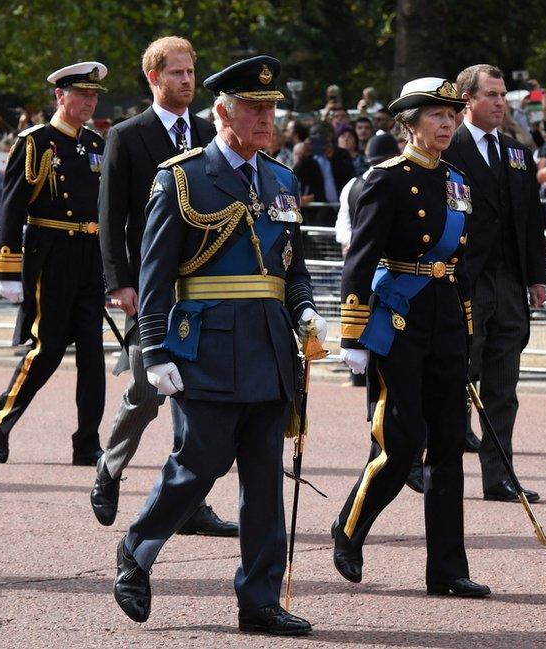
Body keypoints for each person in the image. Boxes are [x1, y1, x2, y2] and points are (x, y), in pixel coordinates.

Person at [112, 55, 324, 636]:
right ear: (222, 112)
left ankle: (259, 599)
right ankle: (138, 548)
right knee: (198, 463)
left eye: (271, 108)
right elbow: (155, 274)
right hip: (204, 344)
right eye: (254, 108)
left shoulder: (281, 178)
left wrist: (304, 306)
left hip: (270, 346)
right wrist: (153, 350)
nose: (266, 118)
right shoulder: (181, 177)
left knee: (264, 479)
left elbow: (292, 264)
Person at [332, 76, 489, 598]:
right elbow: (360, 257)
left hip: (444, 319)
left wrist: (465, 327)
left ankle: (447, 569)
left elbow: (459, 260)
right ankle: (349, 528)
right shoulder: (385, 179)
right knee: (401, 444)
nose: (447, 124)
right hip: (398, 320)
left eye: (453, 115)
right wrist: (353, 333)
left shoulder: (457, 180)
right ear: (410, 122)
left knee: (448, 445)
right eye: (436, 116)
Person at [93, 36, 236, 536]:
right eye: (176, 73)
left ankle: (192, 501)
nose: (187, 81)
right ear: (154, 77)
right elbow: (111, 219)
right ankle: (109, 468)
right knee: (146, 390)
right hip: (149, 288)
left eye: (191, 72)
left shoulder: (210, 132)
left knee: (196, 397)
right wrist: (119, 283)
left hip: (200, 288)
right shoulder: (128, 137)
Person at [0, 61, 108, 467]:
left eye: (93, 96)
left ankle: (87, 441)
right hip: (50, 253)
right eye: (82, 95)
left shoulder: (94, 145)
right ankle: (2, 418)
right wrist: (8, 267)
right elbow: (12, 205)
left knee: (92, 354)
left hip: (88, 256)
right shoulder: (36, 142)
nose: (89, 102)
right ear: (60, 95)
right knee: (48, 348)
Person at [443, 64, 546, 503]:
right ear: (467, 100)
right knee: (455, 380)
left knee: (503, 387)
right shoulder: (450, 147)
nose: (501, 102)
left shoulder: (516, 150)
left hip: (508, 283)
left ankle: (499, 475)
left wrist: (536, 277)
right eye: (491, 95)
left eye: (503, 95)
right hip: (465, 281)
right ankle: (440, 471)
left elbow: (531, 218)